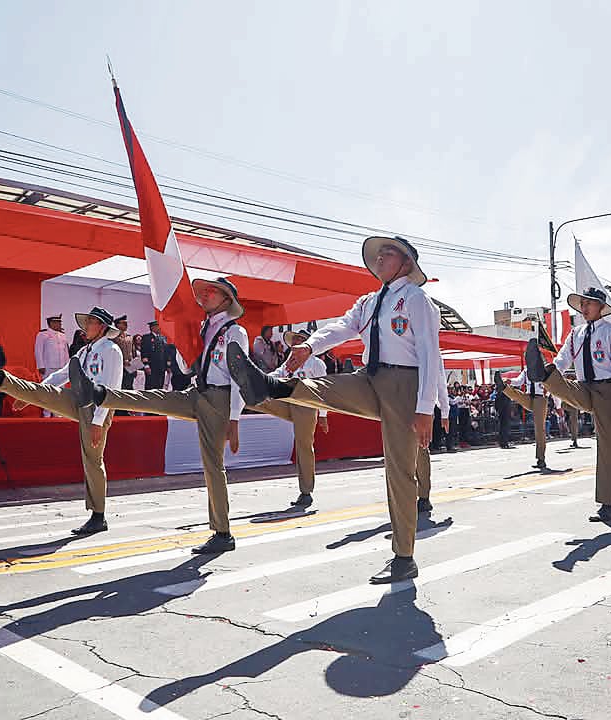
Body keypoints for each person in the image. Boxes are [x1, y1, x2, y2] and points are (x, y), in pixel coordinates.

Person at [225, 235, 442, 585]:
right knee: (326, 390)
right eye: (380, 253)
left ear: (406, 263)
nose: (381, 258)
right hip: (370, 376)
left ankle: (404, 557)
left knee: (400, 471)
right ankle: (273, 385)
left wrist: (426, 408)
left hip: (405, 386)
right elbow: (343, 326)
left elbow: (432, 355)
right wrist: (309, 347)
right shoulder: (370, 302)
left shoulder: (417, 300)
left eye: (389, 253)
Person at [73, 280, 248, 554]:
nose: (203, 295)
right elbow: (185, 367)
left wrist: (235, 418)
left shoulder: (236, 332)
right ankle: (103, 394)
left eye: (210, 292)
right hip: (196, 392)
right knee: (153, 398)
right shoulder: (203, 328)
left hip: (220, 398)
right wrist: (184, 343)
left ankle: (223, 532)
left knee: (212, 464)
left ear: (227, 300)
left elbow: (241, 377)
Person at [0, 307, 123, 534]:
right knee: (49, 391)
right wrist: (30, 395)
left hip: (98, 408)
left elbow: (112, 386)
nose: (85, 326)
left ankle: (98, 516)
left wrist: (98, 421)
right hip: (80, 400)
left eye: (90, 322)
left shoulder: (111, 350)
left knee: (92, 460)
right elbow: (60, 375)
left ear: (101, 326)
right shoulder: (84, 351)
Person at [524, 287, 611, 523]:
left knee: (606, 441)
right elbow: (563, 358)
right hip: (584, 387)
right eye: (582, 304)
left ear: (601, 307)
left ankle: (607, 504)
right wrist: (553, 373)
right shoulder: (577, 333)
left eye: (589, 304)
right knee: (559, 380)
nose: (584, 308)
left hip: (607, 390)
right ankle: (542, 374)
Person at [253, 329, 330, 508]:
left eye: (298, 339)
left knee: (303, 445)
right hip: (289, 401)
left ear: (306, 343)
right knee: (256, 397)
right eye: (293, 340)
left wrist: (323, 415)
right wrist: (259, 380)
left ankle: (306, 491)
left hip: (306, 406)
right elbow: (277, 375)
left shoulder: (316, 363)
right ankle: (243, 394)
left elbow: (323, 390)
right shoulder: (289, 362)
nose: (294, 343)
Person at [416, 362, 450, 513]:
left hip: (420, 407)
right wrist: (444, 411)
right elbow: (440, 380)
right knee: (416, 452)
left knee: (419, 450)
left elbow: (440, 379)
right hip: (416, 404)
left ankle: (421, 497)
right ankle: (420, 497)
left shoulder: (428, 343)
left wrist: (445, 411)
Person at [501, 364, 549, 469]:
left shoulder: (543, 369)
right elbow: (519, 381)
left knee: (539, 429)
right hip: (528, 397)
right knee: (517, 395)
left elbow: (552, 387)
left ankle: (541, 459)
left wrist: (558, 406)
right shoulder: (526, 370)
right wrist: (510, 381)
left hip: (540, 399)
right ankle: (504, 387)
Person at [35, 314, 70, 418]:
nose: (60, 324)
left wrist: (67, 366)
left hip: (61, 368)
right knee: (48, 390)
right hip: (48, 366)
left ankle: (57, 414)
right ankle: (46, 414)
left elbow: (66, 352)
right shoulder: (43, 335)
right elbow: (38, 351)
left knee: (60, 392)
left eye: (60, 322)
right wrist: (40, 365)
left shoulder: (62, 335)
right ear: (51, 323)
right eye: (58, 322)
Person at [140, 320, 169, 391]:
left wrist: (168, 365)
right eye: (158, 326)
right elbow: (144, 352)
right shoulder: (146, 338)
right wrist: (146, 365)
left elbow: (166, 352)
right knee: (150, 386)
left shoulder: (163, 338)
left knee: (160, 386)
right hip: (151, 367)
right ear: (153, 327)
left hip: (161, 367)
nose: (160, 328)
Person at [114, 315, 136, 391]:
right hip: (119, 367)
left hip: (130, 367)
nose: (126, 325)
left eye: (126, 323)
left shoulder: (129, 337)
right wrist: (123, 361)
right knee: (121, 387)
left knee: (130, 387)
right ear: (117, 324)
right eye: (123, 323)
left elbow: (133, 352)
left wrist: (134, 363)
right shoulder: (113, 337)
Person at [493, 376, 515, 449]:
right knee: (504, 427)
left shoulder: (500, 392)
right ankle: (504, 442)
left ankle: (503, 442)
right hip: (504, 411)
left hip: (504, 411)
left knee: (503, 427)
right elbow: (502, 402)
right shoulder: (503, 392)